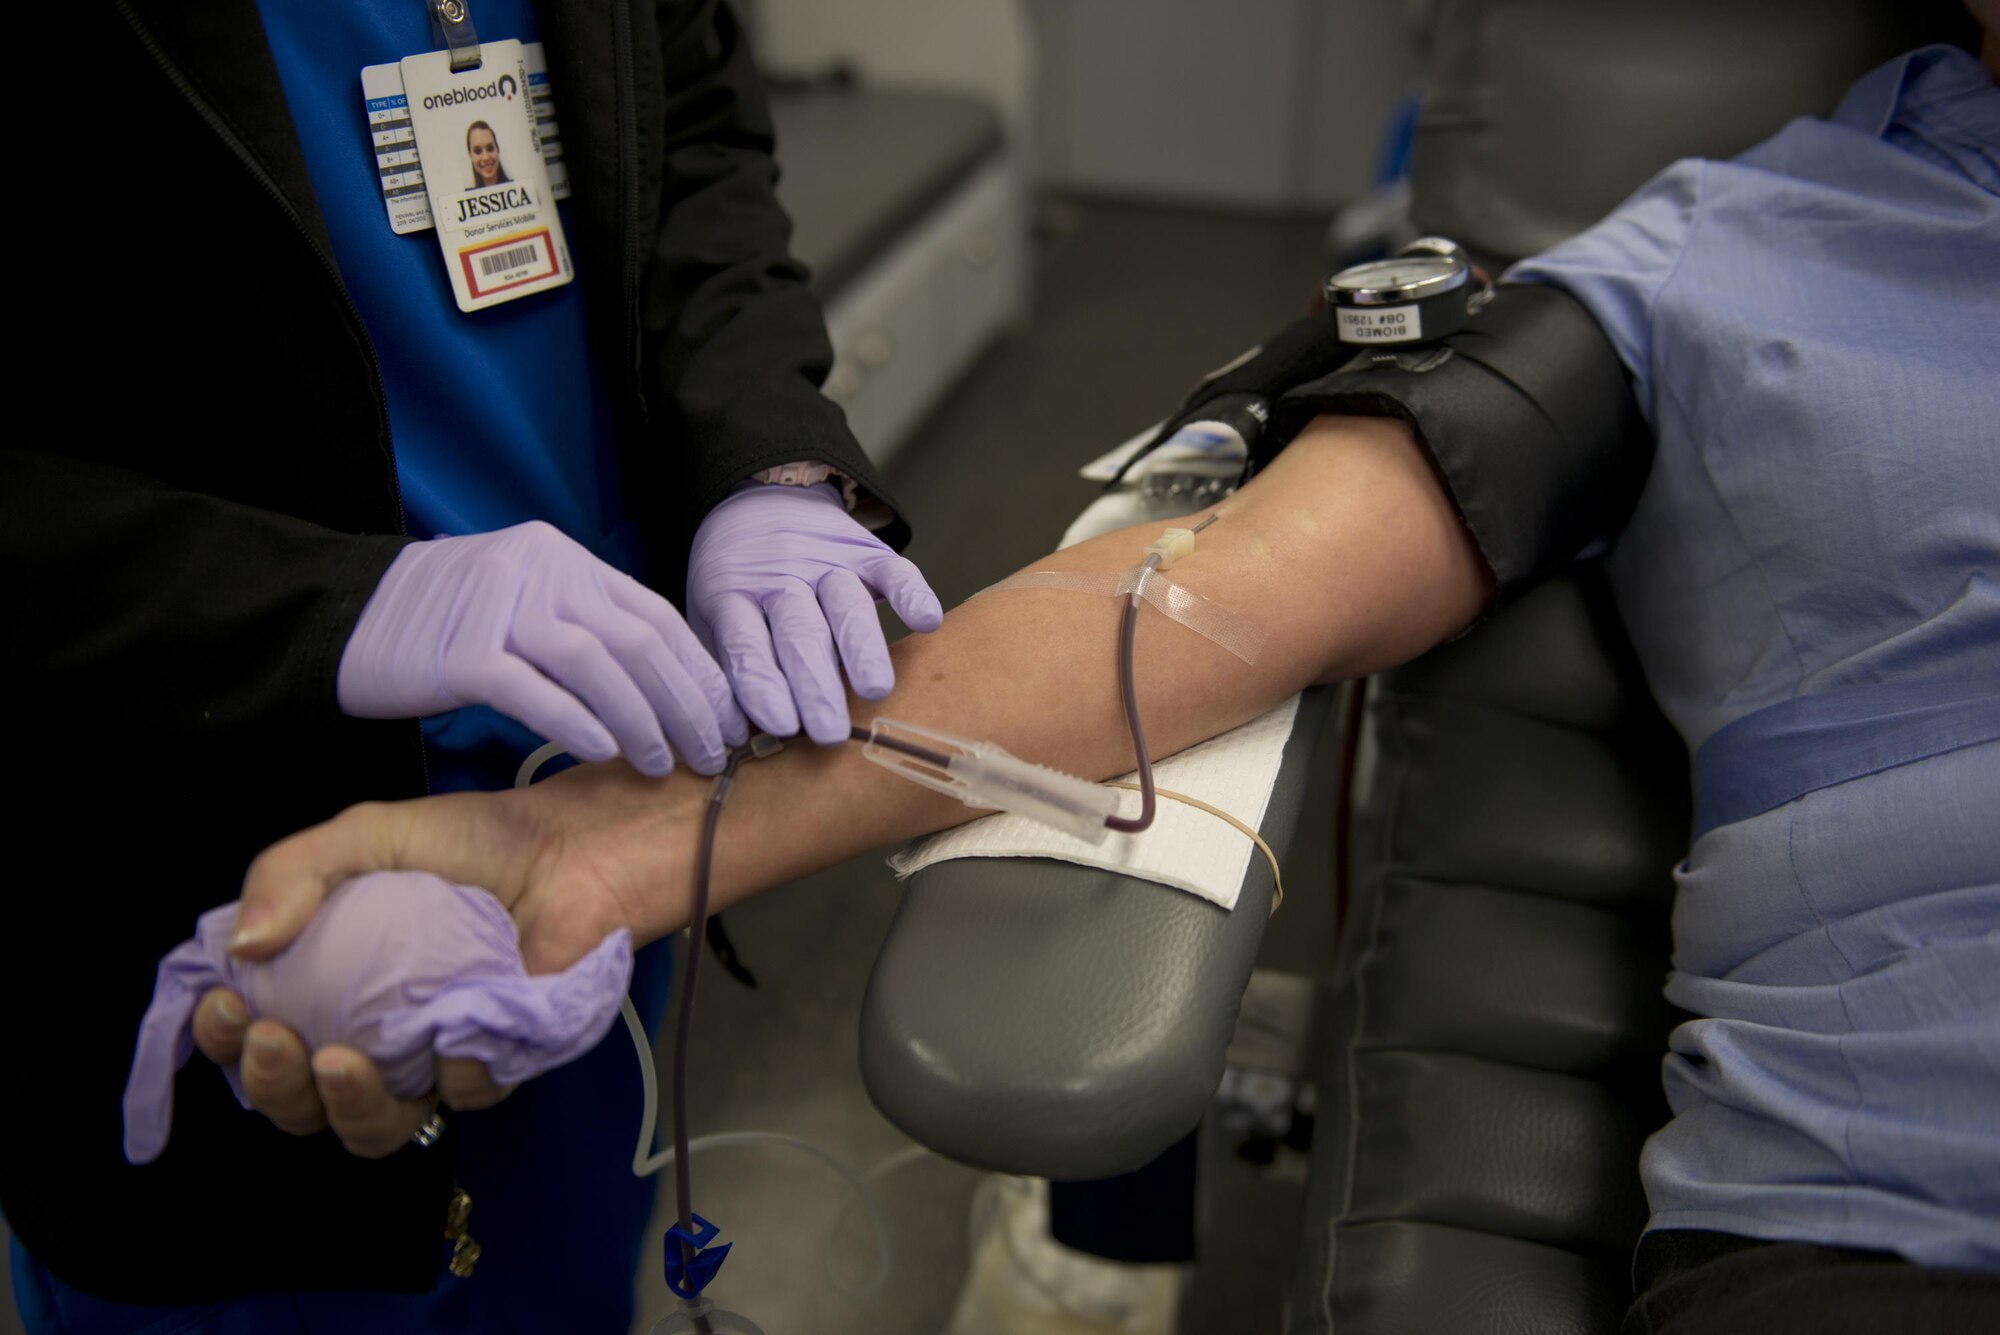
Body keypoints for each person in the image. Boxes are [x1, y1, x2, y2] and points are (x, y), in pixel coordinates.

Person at [193, 21, 2000, 1335]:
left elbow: (694, 156)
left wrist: (767, 467)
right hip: (1902, 1232)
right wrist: (591, 839)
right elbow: (1208, 595)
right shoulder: (1736, 259)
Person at [3, 1, 938, 1332]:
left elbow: (691, 138)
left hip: (611, 773)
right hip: (216, 835)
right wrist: (319, 609)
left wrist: (765, 457)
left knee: (562, 1274)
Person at [465, 120, 509, 188]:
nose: (486, 157)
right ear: (470, 155)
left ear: (497, 149)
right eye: (478, 151)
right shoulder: (464, 194)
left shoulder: (519, 188)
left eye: (490, 148)